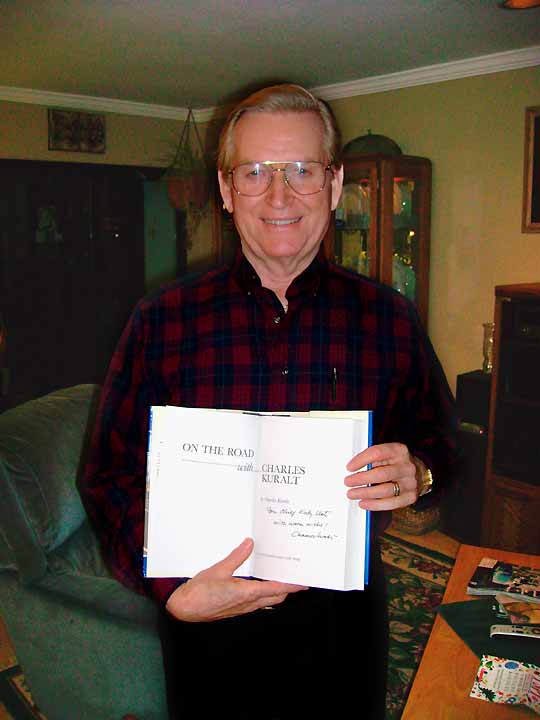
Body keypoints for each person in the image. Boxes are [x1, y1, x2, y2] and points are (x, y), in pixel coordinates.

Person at [81, 83, 456, 720]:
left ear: (334, 186)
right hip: (208, 633)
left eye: (302, 170)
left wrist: (418, 473)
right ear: (227, 191)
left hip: (343, 627)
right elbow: (107, 476)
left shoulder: (388, 318)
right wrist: (169, 590)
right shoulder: (160, 321)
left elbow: (443, 439)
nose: (279, 195)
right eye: (255, 172)